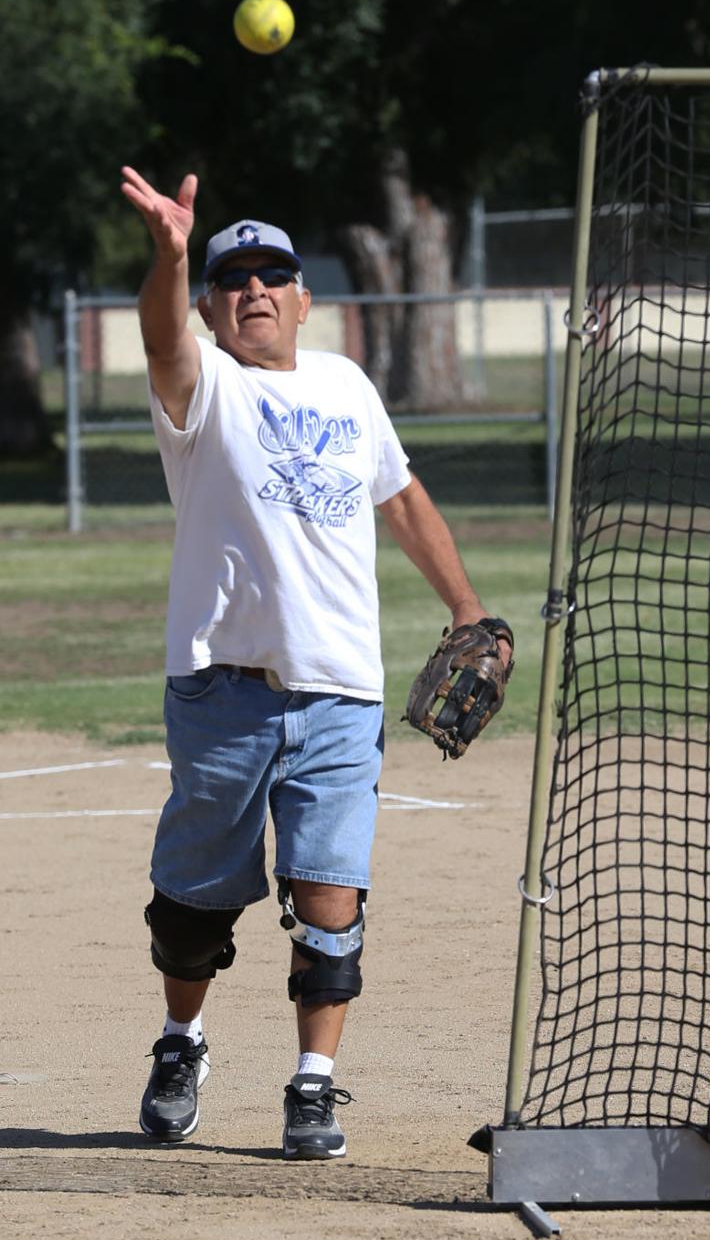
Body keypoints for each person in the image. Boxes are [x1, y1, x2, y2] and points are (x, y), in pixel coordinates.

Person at [120, 166, 508, 1160]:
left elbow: (403, 498)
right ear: (212, 301)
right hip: (221, 688)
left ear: (303, 295)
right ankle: (181, 1040)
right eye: (231, 275)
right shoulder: (203, 387)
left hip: (341, 687)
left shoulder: (345, 382)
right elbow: (161, 339)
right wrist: (169, 254)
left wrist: (465, 606)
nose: (253, 288)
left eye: (272, 273)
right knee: (194, 909)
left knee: (331, 893)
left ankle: (313, 1083)